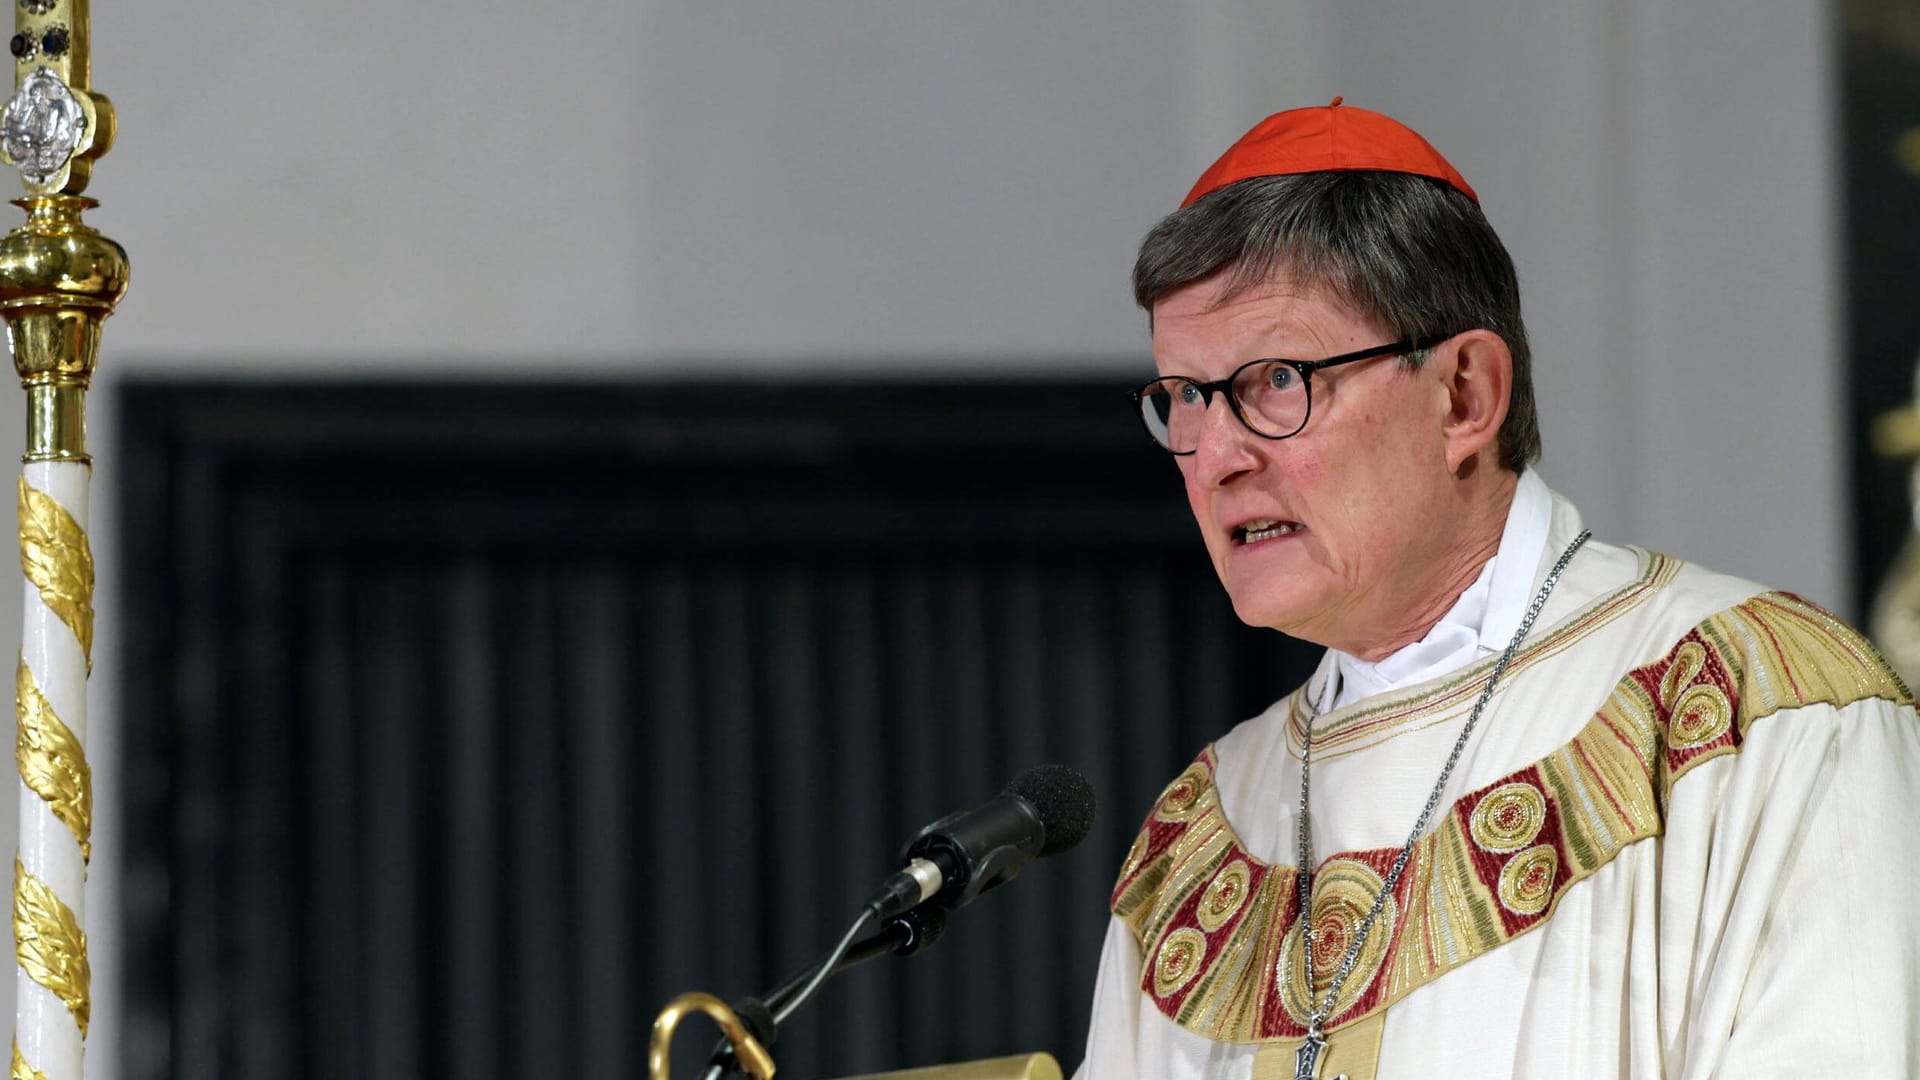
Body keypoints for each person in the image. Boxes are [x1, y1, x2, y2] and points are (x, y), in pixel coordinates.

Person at [1076, 100, 1920, 1079]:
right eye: (1183, 394)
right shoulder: (1201, 836)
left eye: (1274, 380)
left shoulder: (1764, 718)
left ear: (1464, 394)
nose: (1213, 456)